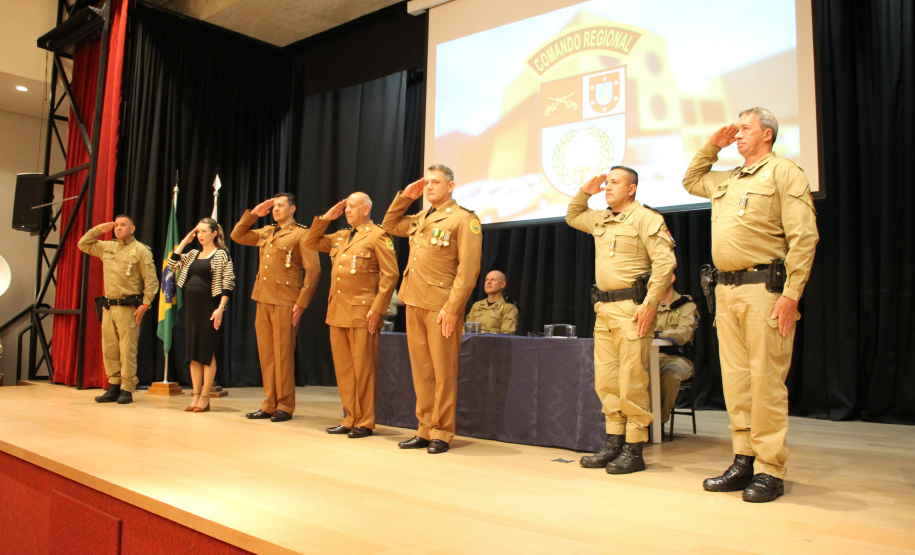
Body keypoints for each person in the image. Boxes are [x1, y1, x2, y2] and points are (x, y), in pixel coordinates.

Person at [683, 107, 818, 502]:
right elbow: (691, 180)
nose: (737, 134)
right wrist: (713, 146)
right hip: (726, 292)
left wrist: (792, 295)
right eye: (736, 129)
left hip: (765, 290)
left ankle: (770, 469)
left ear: (768, 135)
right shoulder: (727, 179)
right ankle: (743, 459)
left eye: (745, 129)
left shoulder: (784, 173)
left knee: (765, 383)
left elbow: (804, 238)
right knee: (738, 382)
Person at [566, 166, 676, 474]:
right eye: (607, 183)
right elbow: (573, 216)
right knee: (607, 381)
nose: (608, 187)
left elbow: (665, 262)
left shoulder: (646, 218)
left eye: (615, 183)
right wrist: (586, 190)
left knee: (632, 380)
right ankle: (613, 442)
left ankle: (634, 448)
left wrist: (651, 303)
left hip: (633, 309)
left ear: (632, 189)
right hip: (604, 310)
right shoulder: (601, 218)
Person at [382, 164, 482, 454]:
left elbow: (469, 269)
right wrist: (405, 196)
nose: (429, 187)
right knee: (422, 372)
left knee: (443, 373)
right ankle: (424, 429)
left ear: (450, 187)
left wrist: (453, 308)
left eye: (435, 182)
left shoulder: (464, 219)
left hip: (441, 307)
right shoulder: (420, 217)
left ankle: (442, 431)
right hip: (413, 302)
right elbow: (389, 224)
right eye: (427, 183)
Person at [304, 192, 398, 438]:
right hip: (337, 310)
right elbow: (310, 242)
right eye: (346, 207)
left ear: (366, 208)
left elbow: (391, 276)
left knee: (363, 369)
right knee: (344, 369)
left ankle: (365, 421)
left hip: (363, 312)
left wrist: (378, 308)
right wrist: (326, 218)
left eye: (352, 206)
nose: (347, 211)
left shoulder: (378, 235)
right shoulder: (341, 236)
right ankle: (349, 417)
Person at [230, 193, 321, 422]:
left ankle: (285, 405)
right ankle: (269, 402)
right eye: (274, 206)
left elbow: (314, 270)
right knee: (267, 355)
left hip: (285, 300)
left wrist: (301, 302)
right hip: (263, 298)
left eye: (281, 206)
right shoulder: (267, 231)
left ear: (292, 209)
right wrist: (253, 214)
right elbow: (237, 235)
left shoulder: (301, 233)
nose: (276, 209)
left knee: (282, 355)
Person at [78, 215, 158, 404]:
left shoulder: (140, 250)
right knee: (110, 349)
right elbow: (83, 244)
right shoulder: (107, 247)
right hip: (108, 306)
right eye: (116, 225)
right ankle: (113, 386)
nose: (119, 228)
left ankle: (127, 388)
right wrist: (100, 229)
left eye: (123, 225)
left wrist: (145, 304)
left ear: (133, 229)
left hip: (128, 307)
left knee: (127, 349)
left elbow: (151, 281)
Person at [167, 218, 235, 413]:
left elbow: (228, 282)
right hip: (192, 308)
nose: (200, 235)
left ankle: (205, 396)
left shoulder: (221, 254)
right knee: (193, 352)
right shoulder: (192, 254)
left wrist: (221, 308)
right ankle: (195, 395)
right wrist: (184, 242)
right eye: (198, 232)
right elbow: (172, 265)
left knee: (206, 351)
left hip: (210, 306)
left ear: (214, 233)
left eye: (204, 231)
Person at [653, 274, 699, 424]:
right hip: (649, 356)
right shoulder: (648, 305)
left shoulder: (685, 305)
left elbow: (683, 334)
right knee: (631, 373)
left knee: (669, 375)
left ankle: (658, 423)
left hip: (677, 357)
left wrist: (658, 335)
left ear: (672, 278)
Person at [466, 270, 519, 334]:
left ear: (502, 284)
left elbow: (507, 336)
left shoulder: (509, 307)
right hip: (473, 342)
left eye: (493, 280)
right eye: (486, 280)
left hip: (494, 343)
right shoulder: (477, 305)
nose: (488, 282)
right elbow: (467, 330)